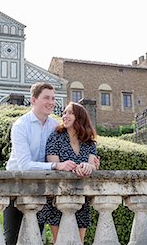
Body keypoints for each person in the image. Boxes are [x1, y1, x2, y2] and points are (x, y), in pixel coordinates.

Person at [4, 82, 77, 245]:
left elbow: (71, 148)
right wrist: (55, 166)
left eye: (53, 98)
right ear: (34, 100)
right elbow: (24, 166)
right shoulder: (20, 126)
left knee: (35, 236)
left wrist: (90, 160)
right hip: (15, 186)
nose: (51, 102)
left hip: (41, 188)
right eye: (46, 98)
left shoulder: (55, 126)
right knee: (11, 238)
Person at [37, 102, 98, 244]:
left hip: (81, 198)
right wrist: (75, 168)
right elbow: (54, 164)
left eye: (70, 113)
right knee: (60, 241)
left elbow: (92, 164)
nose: (65, 116)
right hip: (58, 198)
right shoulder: (55, 137)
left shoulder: (89, 142)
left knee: (79, 241)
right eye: (64, 113)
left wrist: (87, 167)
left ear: (80, 117)